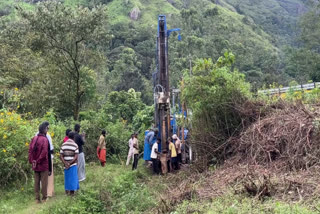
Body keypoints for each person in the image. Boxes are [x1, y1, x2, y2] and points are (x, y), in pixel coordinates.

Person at [29, 122, 51, 203]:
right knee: (44, 181)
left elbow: (30, 151)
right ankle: (44, 198)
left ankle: (37, 199)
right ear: (44, 129)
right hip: (43, 164)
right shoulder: (45, 139)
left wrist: (32, 161)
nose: (47, 130)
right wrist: (38, 160)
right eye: (47, 129)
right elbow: (44, 152)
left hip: (35, 164)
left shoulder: (34, 138)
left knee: (36, 182)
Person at [35, 121, 54, 198]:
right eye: (47, 128)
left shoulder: (35, 136)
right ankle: (47, 194)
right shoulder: (47, 136)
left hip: (36, 160)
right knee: (46, 178)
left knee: (37, 179)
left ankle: (37, 197)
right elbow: (50, 149)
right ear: (45, 128)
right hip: (46, 159)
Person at [60, 131, 79, 196]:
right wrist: (70, 163)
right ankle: (72, 193)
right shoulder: (75, 145)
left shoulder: (63, 144)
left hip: (66, 165)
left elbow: (61, 155)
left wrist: (65, 163)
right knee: (72, 179)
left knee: (67, 179)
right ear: (74, 137)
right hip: (73, 165)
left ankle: (67, 192)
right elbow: (76, 156)